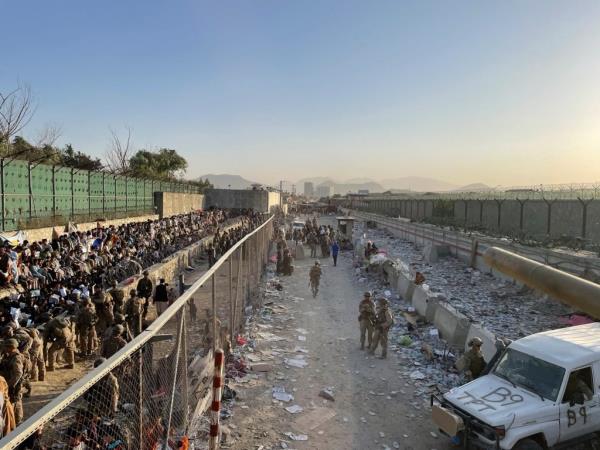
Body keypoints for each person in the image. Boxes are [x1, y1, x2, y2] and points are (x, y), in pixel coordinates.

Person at [0, 339, 24, 425]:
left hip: (13, 385)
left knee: (15, 402)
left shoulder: (16, 358)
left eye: (6, 347)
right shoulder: (9, 355)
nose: (4, 348)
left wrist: (10, 385)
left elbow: (18, 373)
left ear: (11, 347)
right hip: (9, 383)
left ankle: (17, 422)